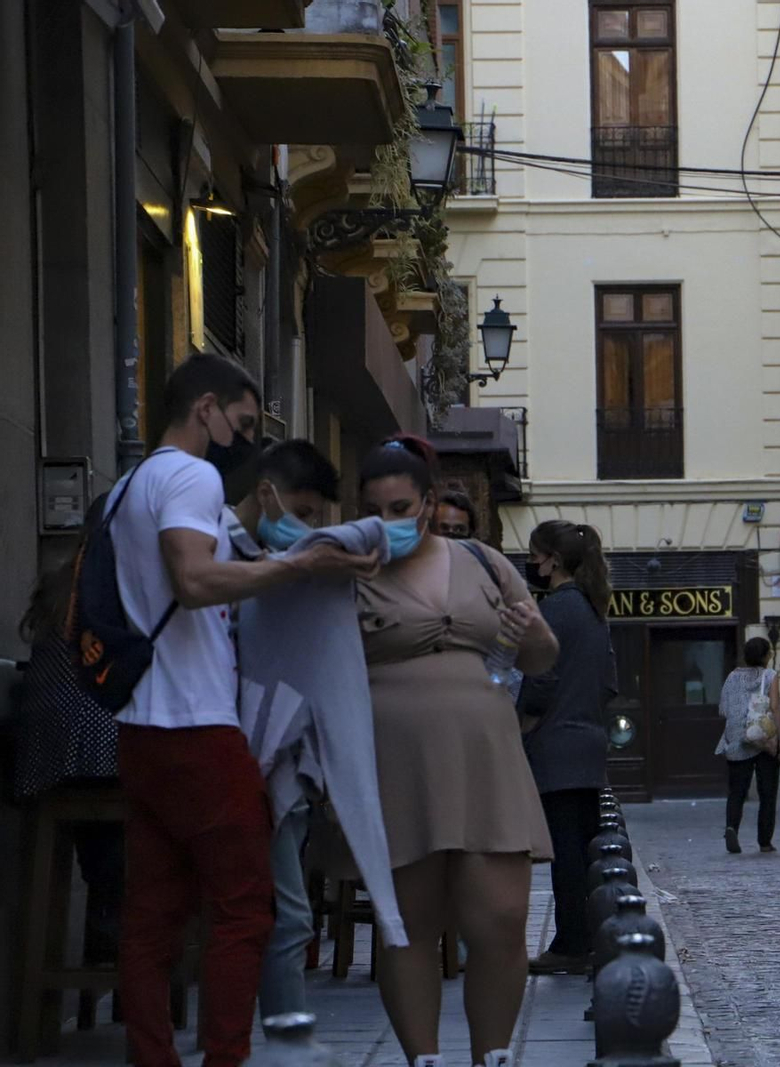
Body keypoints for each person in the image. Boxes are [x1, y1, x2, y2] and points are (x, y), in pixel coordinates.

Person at [112, 355, 378, 1067]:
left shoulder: (125, 487)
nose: (245, 437)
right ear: (206, 407)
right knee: (246, 906)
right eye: (244, 422)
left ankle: (153, 1056)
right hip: (195, 723)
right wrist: (297, 566)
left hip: (138, 725)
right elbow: (194, 579)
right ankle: (225, 1057)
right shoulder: (190, 475)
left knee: (151, 913)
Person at [357, 435, 559, 1067]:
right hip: (394, 758)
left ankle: (491, 1056)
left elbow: (543, 655)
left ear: (426, 503)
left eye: (401, 507)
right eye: (376, 509)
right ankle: (424, 1059)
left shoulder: (482, 561)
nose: (391, 521)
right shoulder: (348, 567)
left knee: (501, 920)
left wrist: (532, 634)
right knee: (407, 925)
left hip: (482, 754)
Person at [227, 439, 345, 1022]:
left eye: (318, 521)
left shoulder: (261, 557)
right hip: (241, 753)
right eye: (303, 515)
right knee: (286, 916)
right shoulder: (216, 555)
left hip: (278, 751)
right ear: (266, 494)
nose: (308, 531)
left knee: (281, 912)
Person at [13, 499, 122, 977]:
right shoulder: (122, 588)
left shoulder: (59, 582)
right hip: (107, 757)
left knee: (101, 830)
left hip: (42, 761)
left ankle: (108, 915)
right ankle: (120, 922)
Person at [521, 519, 620, 975]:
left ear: (552, 561)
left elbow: (539, 679)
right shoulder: (594, 610)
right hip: (589, 743)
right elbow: (607, 683)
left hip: (556, 745)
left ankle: (571, 943)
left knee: (565, 851)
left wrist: (524, 722)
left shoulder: (555, 609)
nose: (532, 564)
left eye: (534, 555)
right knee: (583, 848)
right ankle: (581, 938)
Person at [718, 637, 780, 853]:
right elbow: (774, 707)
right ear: (766, 656)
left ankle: (731, 827)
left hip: (738, 738)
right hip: (764, 736)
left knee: (737, 790)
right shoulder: (770, 675)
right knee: (768, 792)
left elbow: (723, 709)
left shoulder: (732, 677)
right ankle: (764, 841)